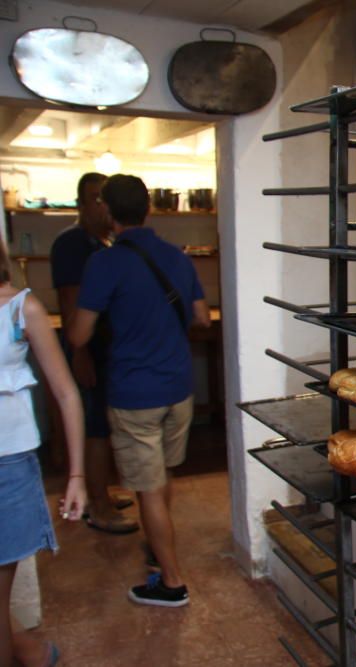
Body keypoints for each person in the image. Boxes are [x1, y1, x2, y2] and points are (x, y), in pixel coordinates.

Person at [68, 175, 210, 607]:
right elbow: (202, 318)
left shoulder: (105, 263)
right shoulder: (177, 257)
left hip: (135, 393)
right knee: (162, 475)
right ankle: (157, 545)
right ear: (148, 209)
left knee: (147, 487)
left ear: (107, 212)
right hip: (178, 388)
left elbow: (78, 335)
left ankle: (170, 582)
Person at [1, 238, 87, 666]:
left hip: (8, 465)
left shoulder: (22, 307)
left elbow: (67, 393)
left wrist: (76, 477)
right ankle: (30, 652)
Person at [50, 172, 138, 535]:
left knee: (104, 423)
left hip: (107, 350)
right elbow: (71, 305)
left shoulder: (105, 244)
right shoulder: (72, 244)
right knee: (95, 429)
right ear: (81, 204)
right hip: (88, 349)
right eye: (94, 198)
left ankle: (102, 492)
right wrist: (80, 354)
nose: (101, 205)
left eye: (105, 198)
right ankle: (97, 505)